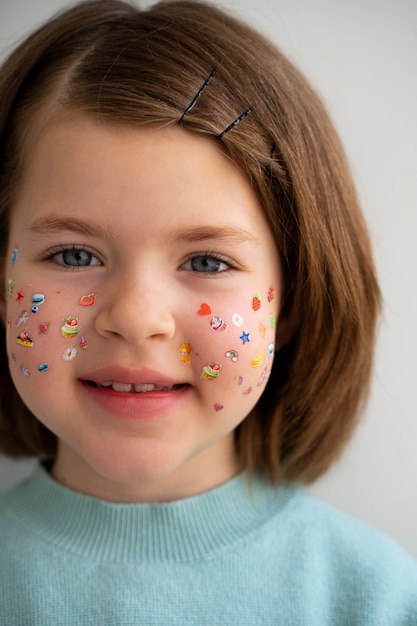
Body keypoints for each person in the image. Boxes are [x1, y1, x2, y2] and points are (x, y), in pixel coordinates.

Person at [0, 0, 416, 623]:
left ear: (292, 302)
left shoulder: (374, 598)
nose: (137, 318)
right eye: (73, 253)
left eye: (208, 263)